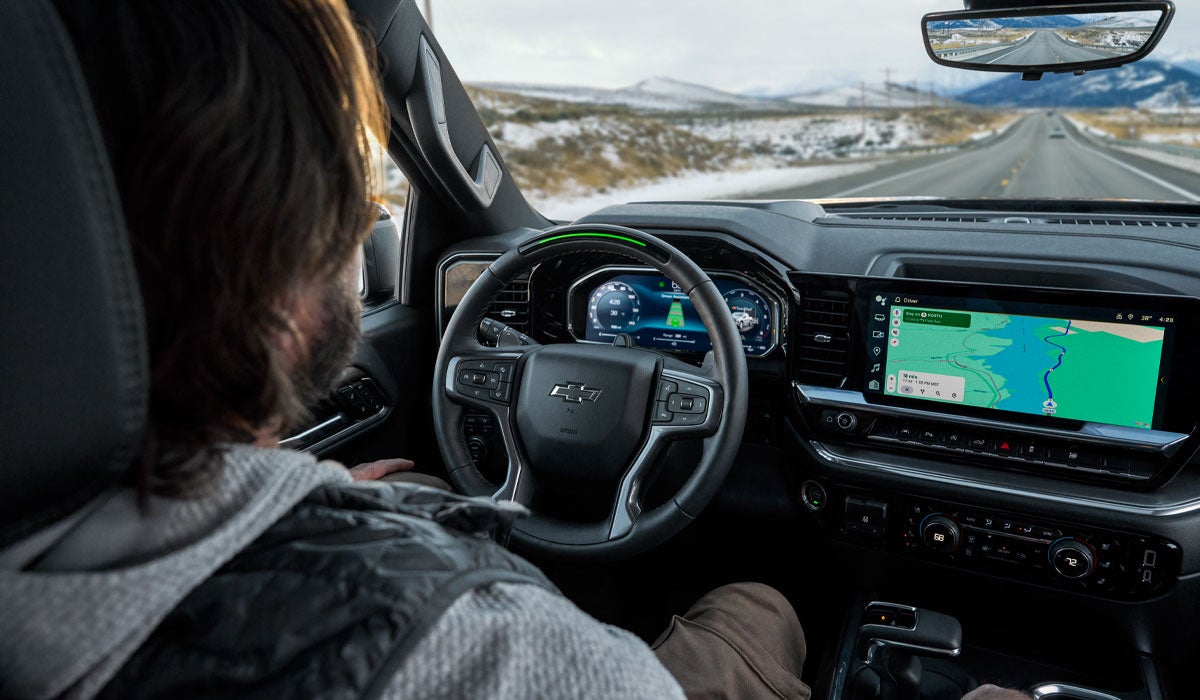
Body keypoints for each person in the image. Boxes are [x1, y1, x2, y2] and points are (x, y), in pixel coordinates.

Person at [0, 1, 1029, 698]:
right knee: (760, 599)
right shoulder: (494, 654)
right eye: (341, 194)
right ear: (269, 260)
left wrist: (308, 500)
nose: (364, 211)